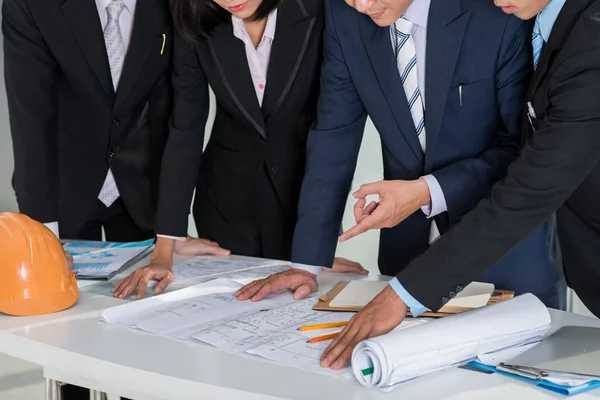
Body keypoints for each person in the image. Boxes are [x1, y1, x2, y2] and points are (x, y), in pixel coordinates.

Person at [310, 0, 600, 369]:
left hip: (516, 263)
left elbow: (528, 187)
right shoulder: (552, 24)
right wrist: (310, 257)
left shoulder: (589, 44)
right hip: (416, 259)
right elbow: (332, 133)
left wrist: (402, 295)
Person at [235, 0, 564, 308]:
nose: (362, 6)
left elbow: (525, 150)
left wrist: (426, 192)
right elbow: (333, 134)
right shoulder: (344, 15)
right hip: (404, 264)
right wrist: (307, 264)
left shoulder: (496, 10)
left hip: (508, 259)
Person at [111, 0, 366, 299]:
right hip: (225, 207)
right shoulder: (196, 19)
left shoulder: (319, 10)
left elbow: (332, 133)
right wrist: (164, 248)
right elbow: (186, 128)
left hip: (299, 203)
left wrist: (313, 254)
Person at [3, 0, 173, 243]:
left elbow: (176, 108)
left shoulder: (175, 4)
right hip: (60, 188)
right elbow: (31, 120)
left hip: (145, 189)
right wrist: (45, 236)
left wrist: (172, 226)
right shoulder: (30, 4)